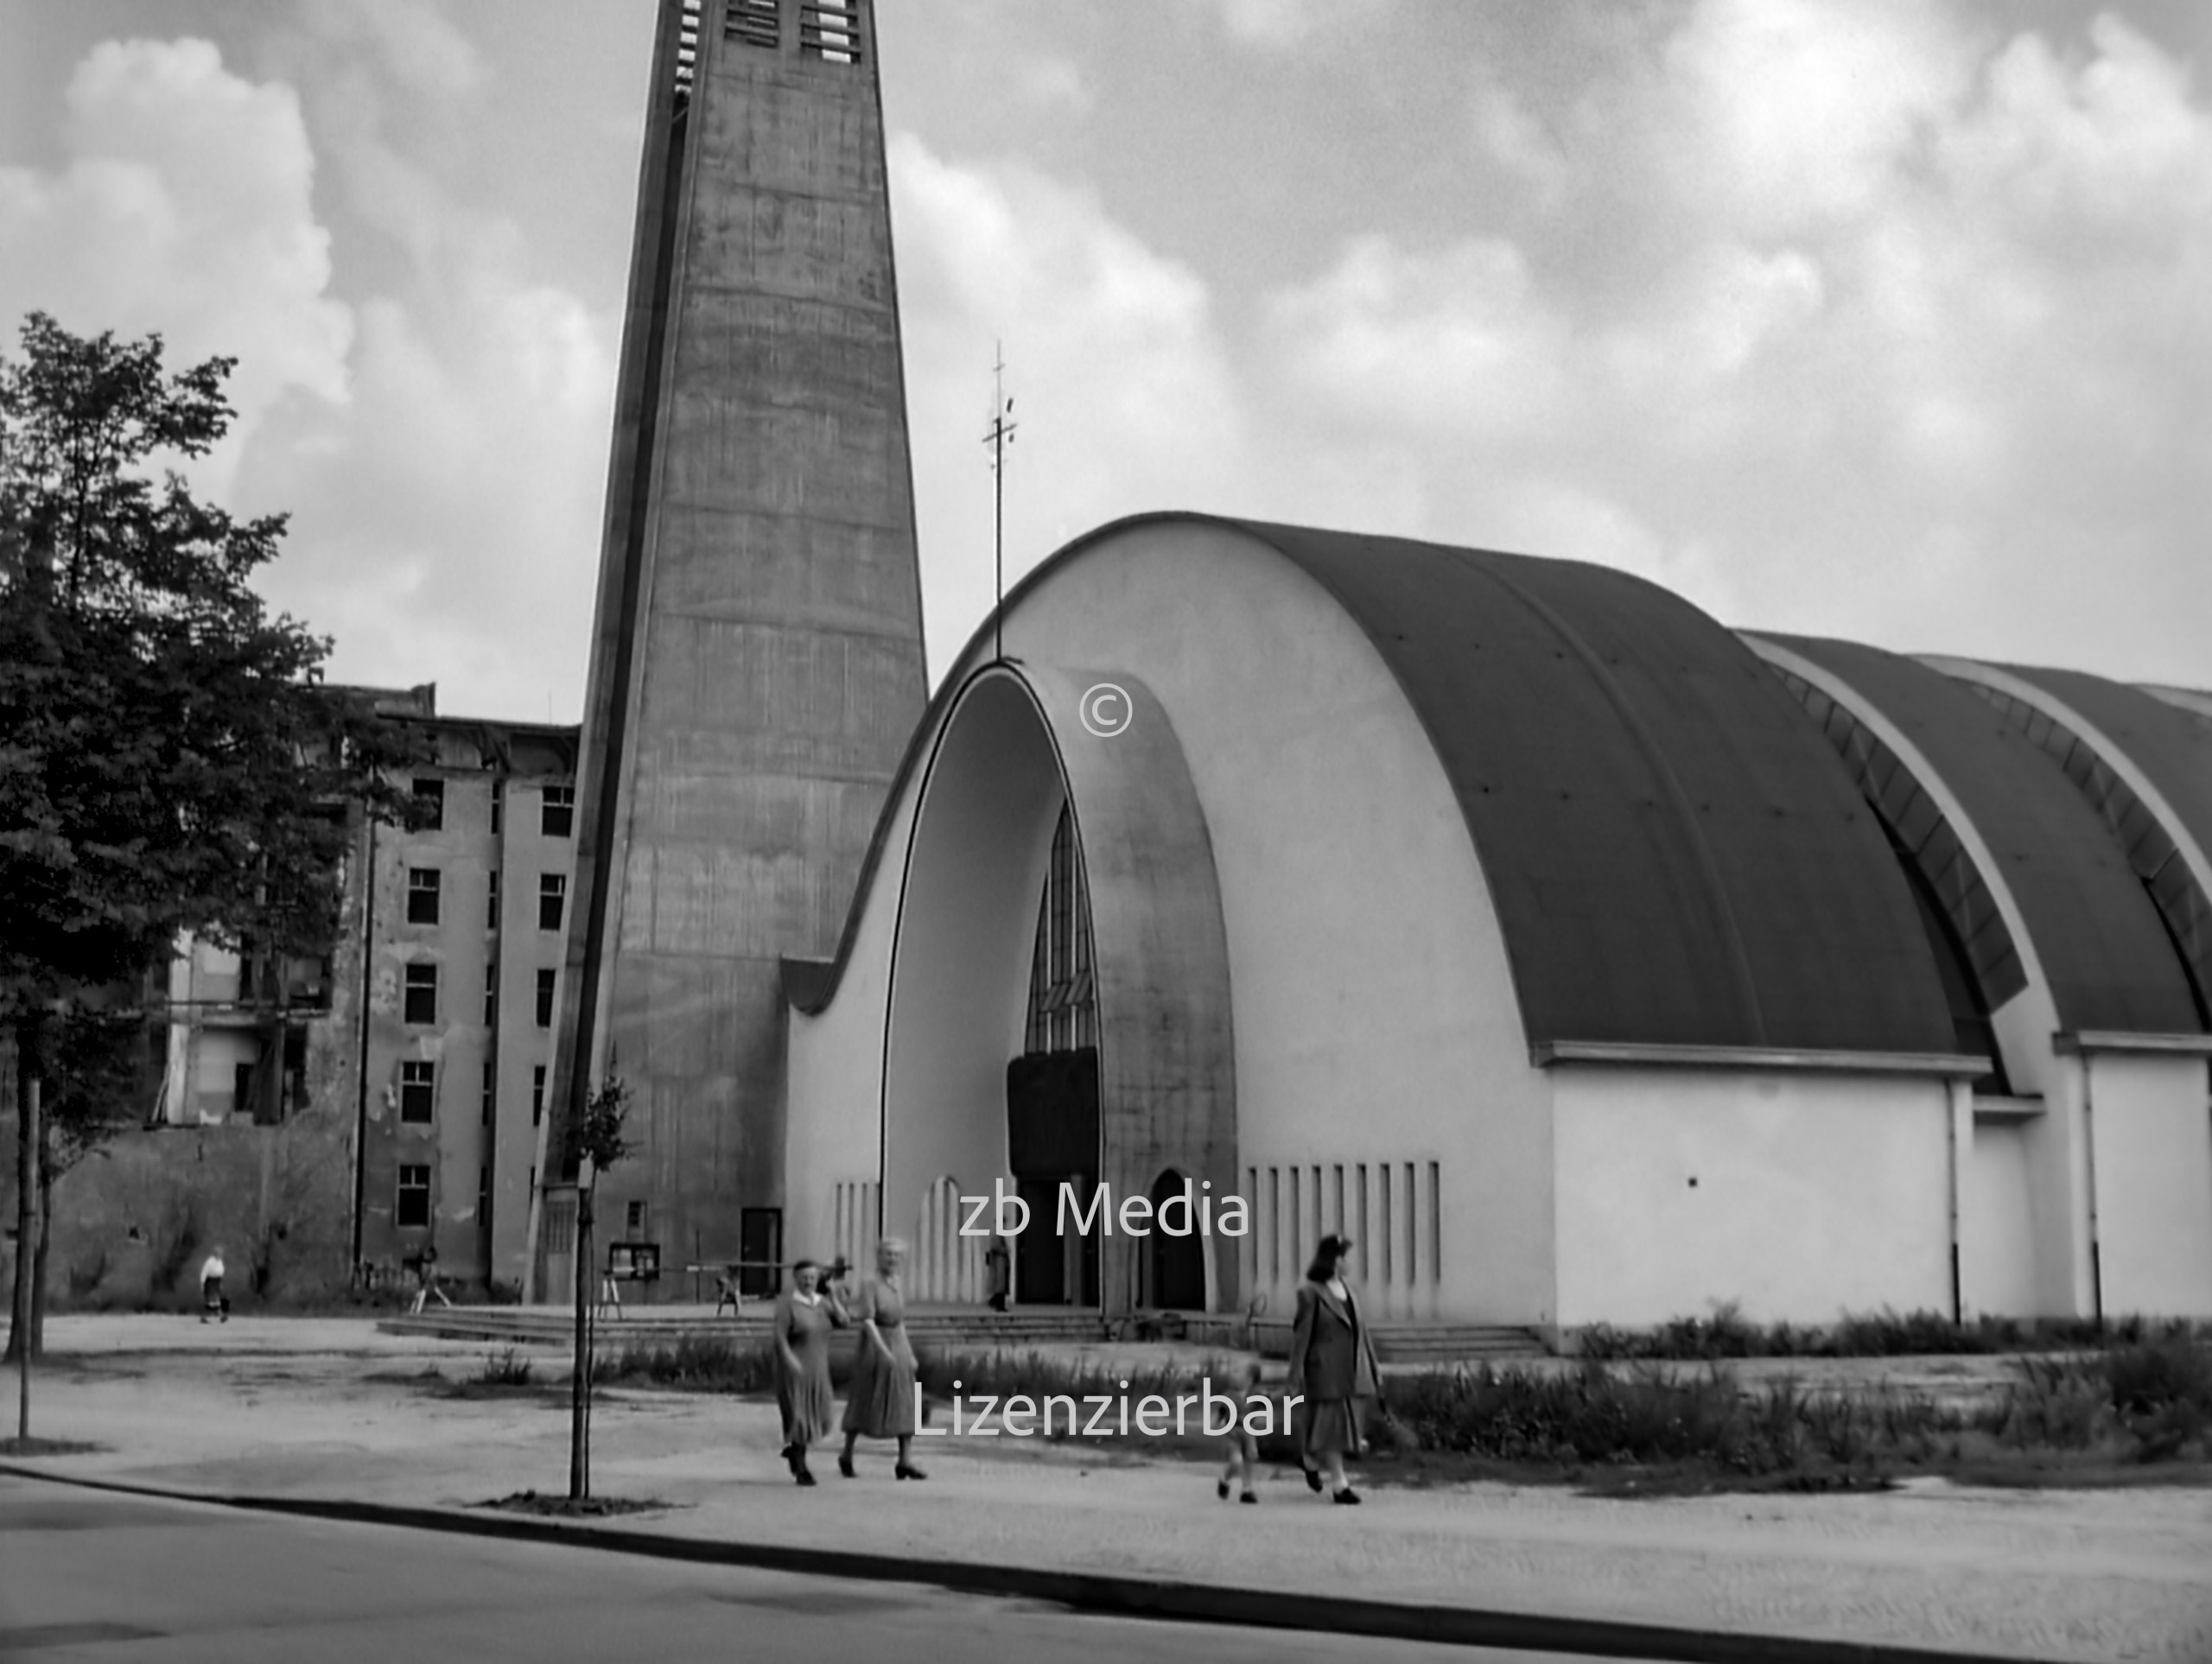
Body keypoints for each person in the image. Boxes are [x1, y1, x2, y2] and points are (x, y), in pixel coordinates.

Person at [1287, 1232, 1381, 1505]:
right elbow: (1300, 1339)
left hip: (1352, 1371)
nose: (1348, 1263)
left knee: (1340, 1431)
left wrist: (1374, 1369)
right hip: (1324, 1372)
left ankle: (1309, 1459)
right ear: (1334, 1260)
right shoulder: (1310, 1294)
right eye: (1344, 1257)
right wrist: (1294, 1381)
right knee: (1331, 1429)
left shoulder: (1351, 1292)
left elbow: (1363, 1334)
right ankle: (1340, 1485)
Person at [838, 1237, 924, 1480]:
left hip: (897, 1340)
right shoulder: (869, 1284)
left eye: (896, 1255)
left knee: (906, 1398)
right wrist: (882, 1351)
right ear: (879, 1256)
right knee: (867, 1396)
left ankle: (905, 1459)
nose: (892, 1259)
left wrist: (909, 1353)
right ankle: (847, 1453)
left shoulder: (898, 1283)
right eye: (887, 1254)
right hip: (875, 1342)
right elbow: (867, 1320)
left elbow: (900, 1321)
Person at [772, 1259, 846, 1485]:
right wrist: (789, 1360)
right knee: (800, 1416)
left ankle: (795, 1451)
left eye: (812, 1278)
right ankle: (801, 1467)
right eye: (804, 1278)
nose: (808, 1282)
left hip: (818, 1366)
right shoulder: (788, 1305)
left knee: (823, 1414)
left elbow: (844, 1321)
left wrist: (832, 1294)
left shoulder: (822, 1303)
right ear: (796, 1279)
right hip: (795, 1366)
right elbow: (779, 1338)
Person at [1216, 1354, 1262, 1503]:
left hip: (1249, 1431)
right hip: (1232, 1432)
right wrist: (1216, 1422)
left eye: (1237, 1371)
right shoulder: (1228, 1395)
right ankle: (1225, 1479)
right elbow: (1222, 1411)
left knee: (1251, 1457)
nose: (1232, 1374)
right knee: (1236, 1462)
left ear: (1249, 1379)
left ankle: (1247, 1489)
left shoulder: (1256, 1395)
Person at [198, 1246, 230, 1323]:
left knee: (216, 1301)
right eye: (218, 1253)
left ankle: (221, 1316)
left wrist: (220, 1283)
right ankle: (205, 1317)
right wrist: (202, 1284)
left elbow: (221, 1272)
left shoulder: (220, 1261)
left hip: (217, 1282)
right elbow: (204, 1272)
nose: (220, 1255)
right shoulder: (210, 1261)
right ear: (215, 1254)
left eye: (220, 1253)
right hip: (210, 1282)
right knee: (211, 1301)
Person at [984, 1235, 1011, 1313]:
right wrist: (1005, 1250)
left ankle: (997, 1303)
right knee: (1000, 1285)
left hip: (1001, 1263)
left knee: (1001, 1286)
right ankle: (998, 1304)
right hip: (999, 1263)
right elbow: (995, 1247)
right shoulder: (996, 1235)